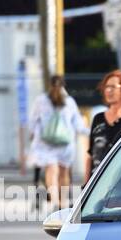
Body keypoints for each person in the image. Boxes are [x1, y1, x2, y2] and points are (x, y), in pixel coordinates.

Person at [28, 75, 87, 211]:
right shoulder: (69, 101)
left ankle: (55, 201)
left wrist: (32, 133)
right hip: (66, 143)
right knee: (64, 173)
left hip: (46, 143)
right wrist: (87, 131)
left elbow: (33, 119)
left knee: (51, 172)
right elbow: (77, 122)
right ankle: (62, 202)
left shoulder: (41, 100)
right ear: (63, 86)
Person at [86, 70, 121, 179]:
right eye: (106, 87)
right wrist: (86, 184)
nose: (108, 90)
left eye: (113, 87)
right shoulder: (98, 119)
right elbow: (90, 155)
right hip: (96, 185)